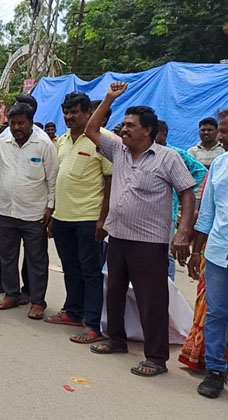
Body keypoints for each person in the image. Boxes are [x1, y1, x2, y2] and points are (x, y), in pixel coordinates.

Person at [85, 82, 196, 377]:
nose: (124, 130)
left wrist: (182, 232)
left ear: (148, 131)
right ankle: (116, 340)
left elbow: (187, 193)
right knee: (115, 292)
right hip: (117, 237)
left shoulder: (167, 157)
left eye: (131, 126)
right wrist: (109, 98)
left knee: (152, 300)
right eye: (123, 125)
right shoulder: (118, 151)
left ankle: (156, 358)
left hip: (149, 243)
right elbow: (91, 130)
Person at [0, 103, 58, 317]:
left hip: (34, 214)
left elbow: (53, 178)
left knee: (37, 260)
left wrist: (50, 207)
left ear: (30, 122)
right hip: (6, 211)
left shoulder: (44, 145)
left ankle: (38, 302)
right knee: (7, 256)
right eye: (13, 123)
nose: (16, 127)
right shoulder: (3, 142)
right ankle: (11, 294)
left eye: (21, 123)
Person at [44, 92, 111, 341]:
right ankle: (73, 312)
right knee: (70, 268)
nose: (69, 117)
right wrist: (53, 214)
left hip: (89, 218)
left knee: (91, 272)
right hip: (63, 218)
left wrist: (103, 219)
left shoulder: (102, 140)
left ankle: (93, 325)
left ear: (88, 114)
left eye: (75, 112)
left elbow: (110, 180)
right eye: (66, 112)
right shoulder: (61, 140)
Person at [186, 110, 228, 398]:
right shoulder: (220, 165)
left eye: (226, 131)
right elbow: (208, 213)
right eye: (221, 131)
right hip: (218, 253)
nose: (221, 137)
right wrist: (196, 251)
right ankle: (215, 371)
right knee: (216, 313)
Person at [0, 93, 40, 300]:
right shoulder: (6, 134)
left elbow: (50, 175)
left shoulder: (40, 139)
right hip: (4, 201)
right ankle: (3, 283)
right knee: (4, 248)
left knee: (32, 254)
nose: (16, 125)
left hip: (31, 207)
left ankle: (28, 291)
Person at [154, 120, 207, 281]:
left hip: (167, 210)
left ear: (164, 134)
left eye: (155, 133)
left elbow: (201, 172)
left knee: (166, 253)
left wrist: (181, 187)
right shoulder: (143, 151)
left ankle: (169, 285)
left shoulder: (177, 154)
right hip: (145, 212)